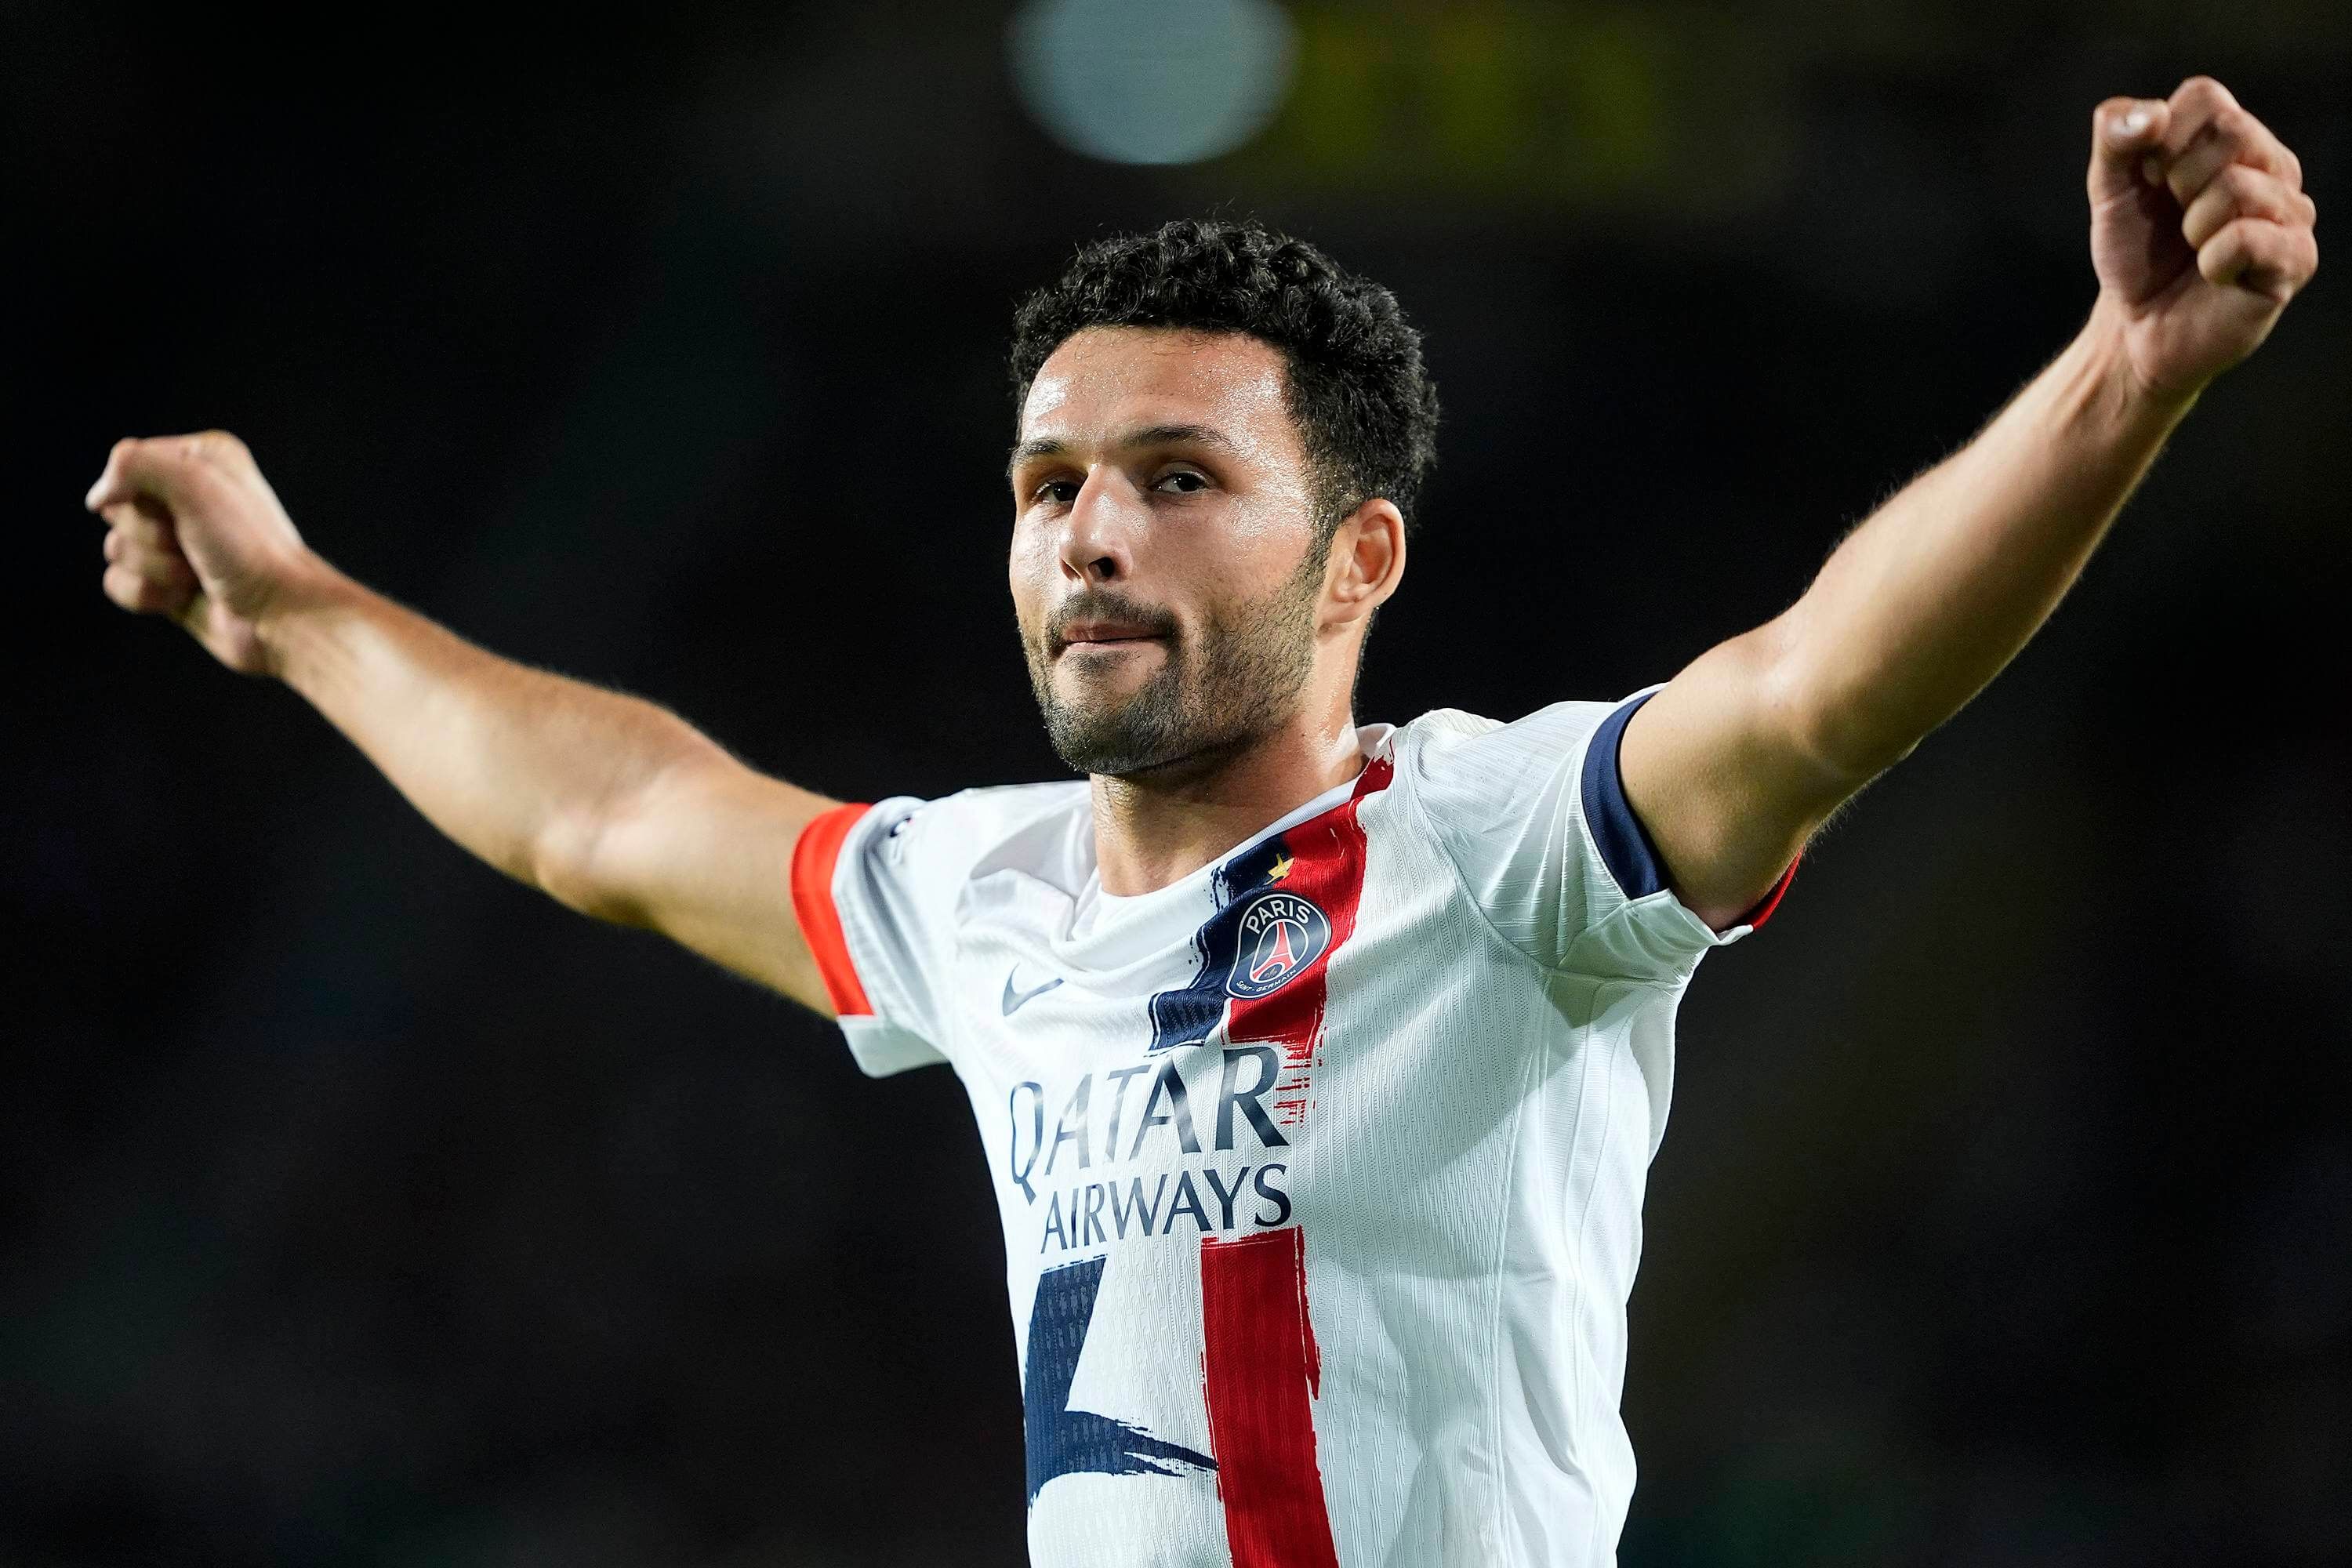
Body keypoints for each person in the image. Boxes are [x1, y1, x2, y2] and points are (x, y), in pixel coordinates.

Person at [85, 76, 2315, 1568]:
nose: (1087, 539)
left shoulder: (1505, 854)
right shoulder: (984, 896)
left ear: (1359, 564)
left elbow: (1823, 686)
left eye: (1178, 480)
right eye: (1052, 485)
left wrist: (2125, 377)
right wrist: (295, 616)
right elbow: (618, 814)